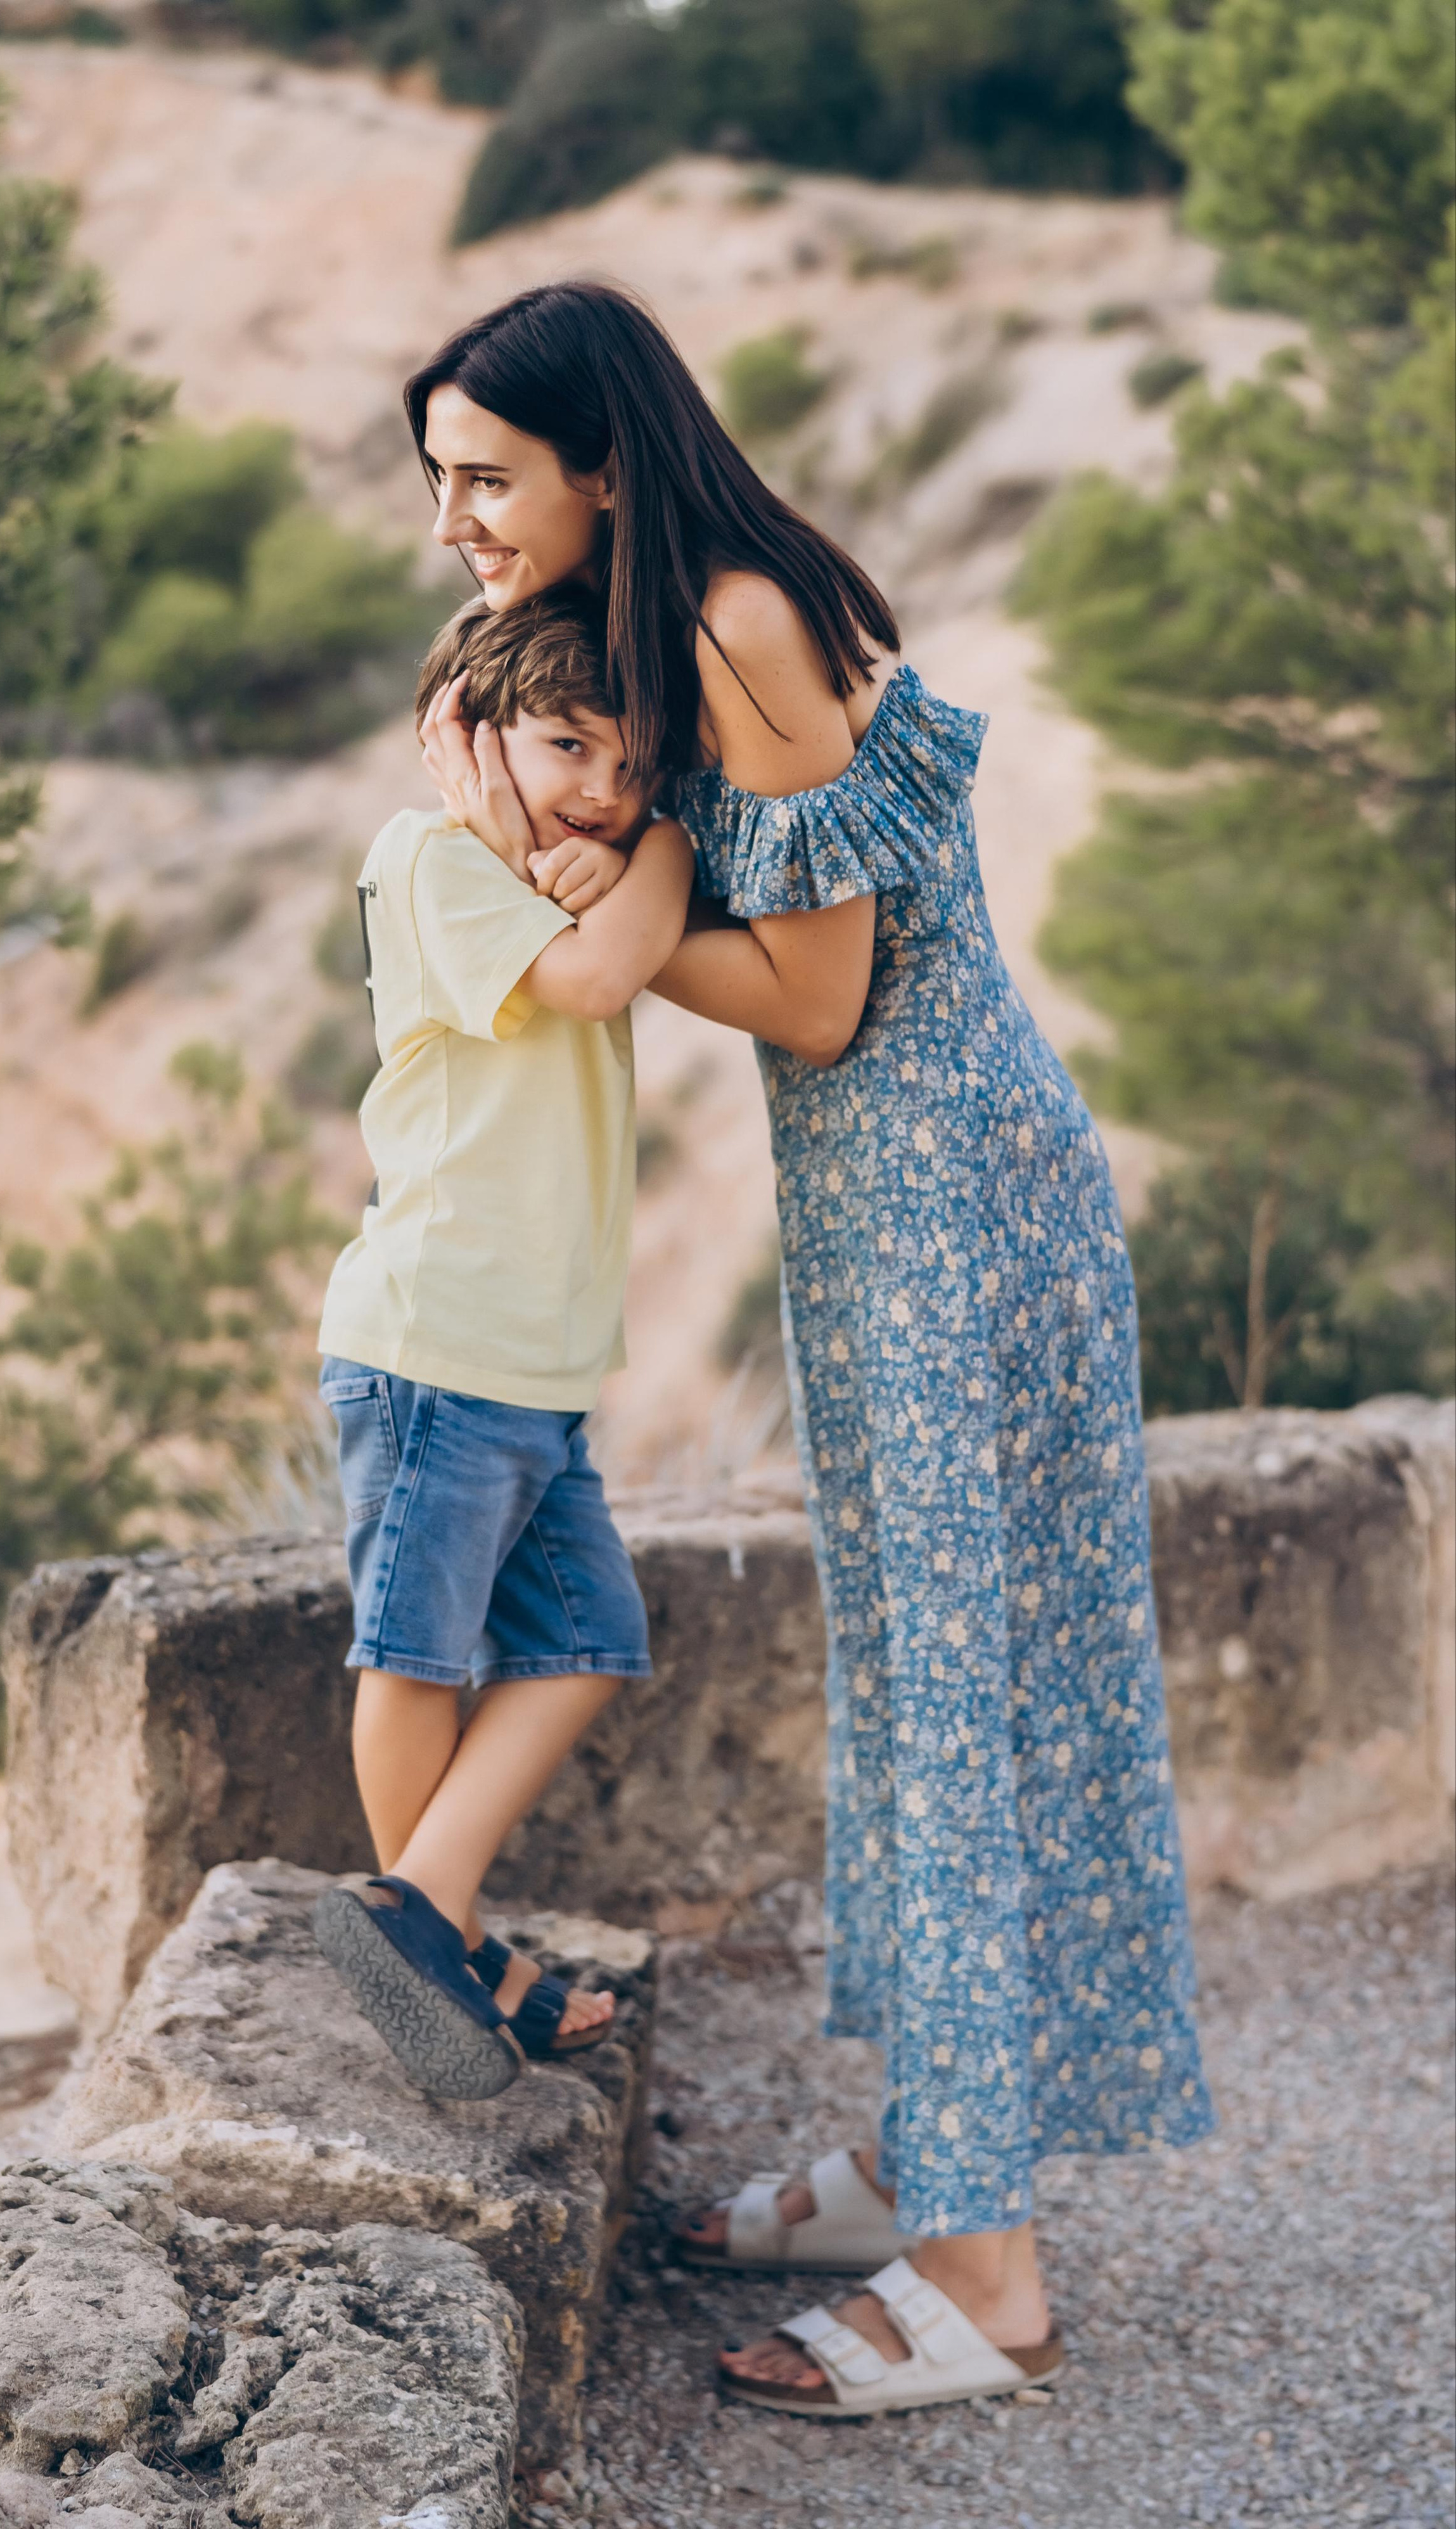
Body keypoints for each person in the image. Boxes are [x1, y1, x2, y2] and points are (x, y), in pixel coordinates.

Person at [409, 279, 1216, 2412]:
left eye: (485, 476)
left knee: (957, 1718)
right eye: (439, 486)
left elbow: (829, 1001)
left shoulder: (742, 624)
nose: (460, 521)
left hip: (954, 1202)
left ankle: (993, 2289)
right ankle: (933, 2164)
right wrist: (602, 866)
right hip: (901, 1217)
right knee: (916, 1696)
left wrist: (606, 909)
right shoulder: (696, 620)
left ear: (599, 460)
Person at [312, 586, 692, 2101]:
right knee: (415, 1649)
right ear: (465, 740)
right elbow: (601, 977)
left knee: (588, 1640)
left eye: (635, 768)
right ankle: (443, 1941)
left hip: (532, 1365)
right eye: (562, 744)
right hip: (435, 1340)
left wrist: (619, 852)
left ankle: (427, 1917)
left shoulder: (562, 879)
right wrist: (658, 852)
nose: (600, 789)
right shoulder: (431, 862)